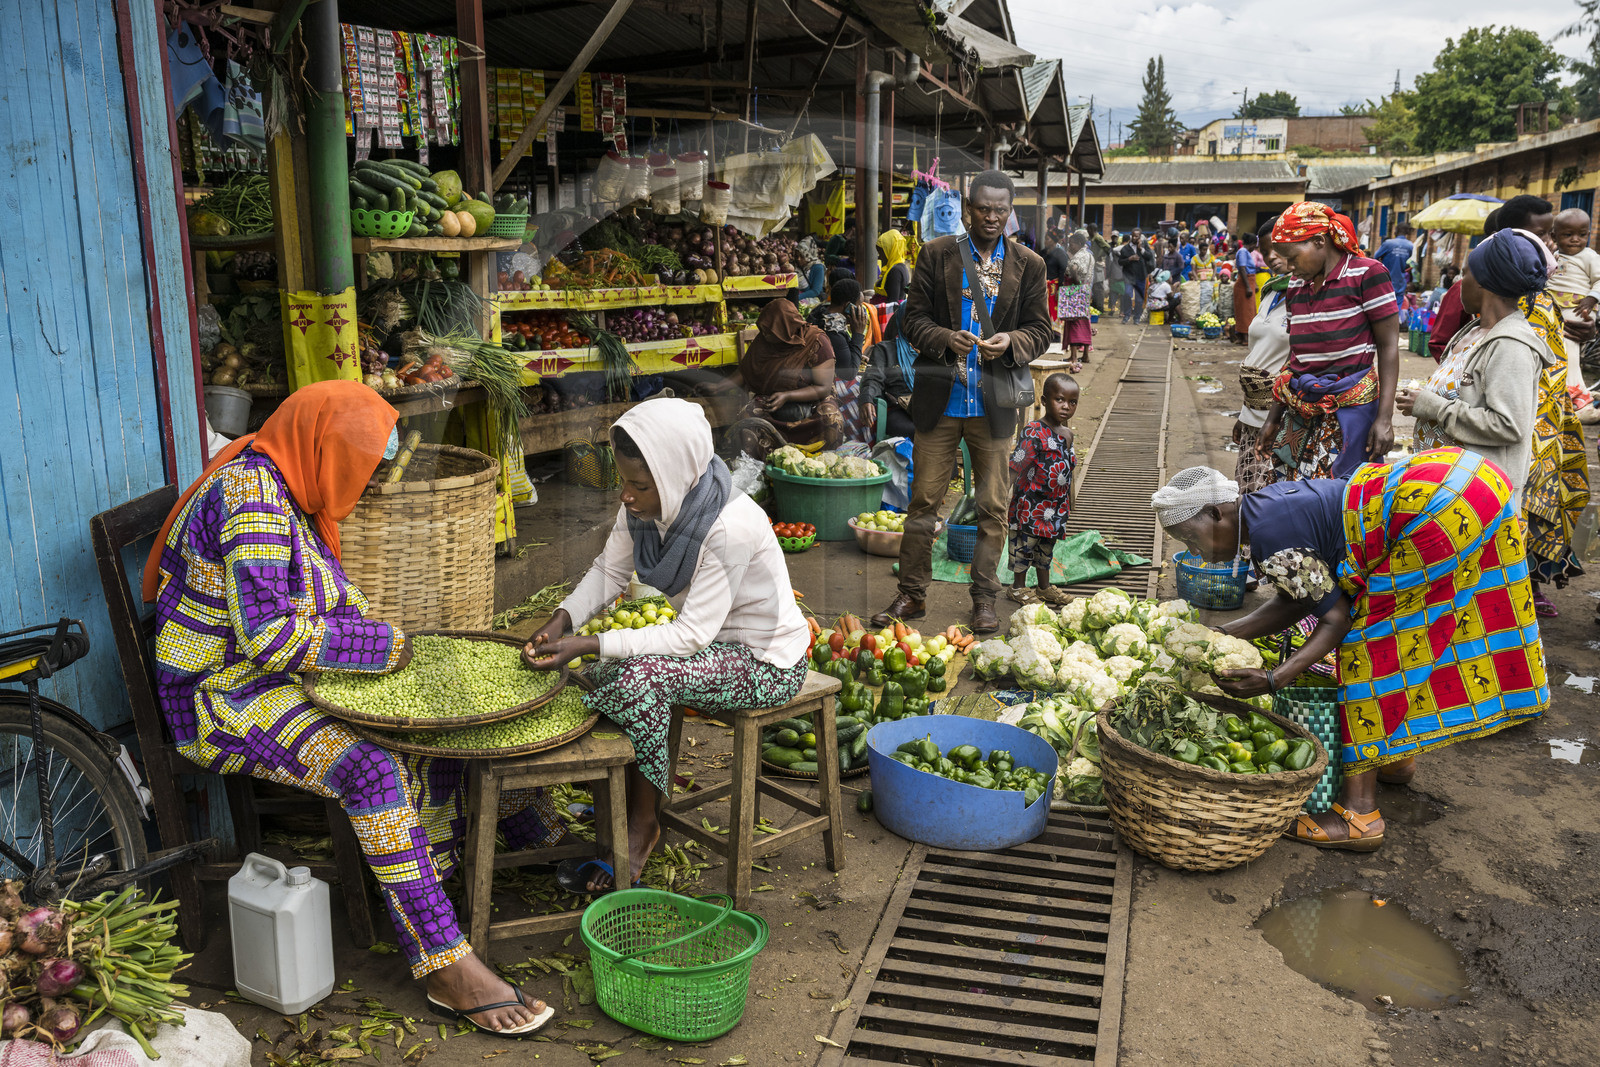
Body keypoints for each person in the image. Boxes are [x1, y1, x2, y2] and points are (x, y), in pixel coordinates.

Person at [145, 381, 561, 1036]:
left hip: (271, 679)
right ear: (323, 445)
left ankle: (441, 878)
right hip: (220, 696)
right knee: (372, 766)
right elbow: (271, 637)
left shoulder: (289, 486)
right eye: (360, 466)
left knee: (430, 722)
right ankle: (443, 963)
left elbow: (327, 602)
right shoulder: (250, 498)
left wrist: (397, 645)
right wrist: (376, 643)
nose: (363, 484)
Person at [1151, 458, 1547, 851]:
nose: (1196, 552)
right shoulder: (1264, 508)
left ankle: (1359, 815)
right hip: (1464, 480)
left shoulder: (1269, 538)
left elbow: (1335, 620)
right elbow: (1303, 598)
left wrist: (1275, 678)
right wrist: (1220, 633)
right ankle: (1394, 758)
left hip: (1438, 507)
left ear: (1216, 513)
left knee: (1368, 647)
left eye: (1191, 539)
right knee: (1419, 634)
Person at [525, 398, 810, 888]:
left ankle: (642, 824)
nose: (627, 497)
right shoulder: (648, 506)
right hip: (710, 650)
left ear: (676, 476)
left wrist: (588, 644)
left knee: (635, 677)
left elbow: (690, 635)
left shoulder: (729, 526)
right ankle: (614, 805)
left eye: (639, 485)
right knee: (603, 674)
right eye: (624, 481)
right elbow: (609, 570)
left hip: (765, 662)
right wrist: (561, 620)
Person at [870, 169, 1054, 635]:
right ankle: (912, 595)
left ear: (1010, 212)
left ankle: (984, 600)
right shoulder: (936, 255)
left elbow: (1041, 330)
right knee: (923, 503)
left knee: (993, 507)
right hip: (940, 403)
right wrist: (944, 338)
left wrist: (1011, 341)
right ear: (968, 209)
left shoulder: (1029, 264)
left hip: (993, 408)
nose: (991, 217)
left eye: (1000, 209)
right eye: (983, 208)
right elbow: (912, 322)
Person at [1396, 233, 1546, 508]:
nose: (1458, 282)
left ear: (1485, 282)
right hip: (1445, 487)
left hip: (1476, 497)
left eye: (1464, 274)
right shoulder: (1473, 332)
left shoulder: (1511, 345)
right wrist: (1422, 401)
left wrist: (1433, 407)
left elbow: (1508, 425)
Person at [1256, 202, 1399, 482]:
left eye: (1294, 258)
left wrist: (1384, 418)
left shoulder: (1368, 274)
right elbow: (1297, 359)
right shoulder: (1297, 285)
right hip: (1301, 411)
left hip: (1350, 413)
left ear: (1320, 241)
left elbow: (1389, 346)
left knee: (1339, 497)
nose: (1290, 267)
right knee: (1291, 494)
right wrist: (1273, 417)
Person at [721, 299, 841, 447]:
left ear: (784, 329)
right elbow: (745, 371)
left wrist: (787, 396)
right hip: (773, 398)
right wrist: (718, 387)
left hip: (813, 399)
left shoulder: (816, 341)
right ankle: (764, 462)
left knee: (830, 418)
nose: (764, 335)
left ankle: (820, 457)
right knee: (749, 418)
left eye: (769, 332)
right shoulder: (765, 340)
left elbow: (823, 388)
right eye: (763, 330)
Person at [1004, 374, 1078, 605]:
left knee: (1046, 548)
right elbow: (1016, 465)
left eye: (1072, 401)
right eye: (1059, 399)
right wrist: (1000, 497)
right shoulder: (1033, 431)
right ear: (1044, 400)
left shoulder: (1067, 434)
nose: (1066, 406)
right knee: (1024, 546)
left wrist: (1070, 501)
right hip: (1029, 505)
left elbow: (1069, 470)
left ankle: (1044, 587)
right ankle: (1017, 588)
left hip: (1054, 507)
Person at [1234, 217, 1292, 492]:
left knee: (1266, 499)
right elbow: (1257, 353)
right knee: (1246, 494)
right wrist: (1243, 415)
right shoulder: (1270, 291)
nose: (1271, 258)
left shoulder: (1310, 296)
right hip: (1252, 417)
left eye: (1278, 250)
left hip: (1279, 423)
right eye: (1266, 251)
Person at [808, 278, 872, 443]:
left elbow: (843, 353)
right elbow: (849, 372)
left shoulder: (822, 311)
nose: (862, 310)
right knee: (865, 386)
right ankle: (859, 439)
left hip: (816, 371)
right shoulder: (833, 326)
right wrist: (858, 333)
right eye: (859, 305)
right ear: (848, 306)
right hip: (820, 381)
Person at [1548, 208, 1600, 383]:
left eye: (1582, 234)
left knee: (1569, 345)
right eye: (1568, 234)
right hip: (1557, 305)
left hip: (1579, 307)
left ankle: (1575, 386)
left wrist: (1592, 298)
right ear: (1554, 237)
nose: (1575, 239)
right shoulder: (1554, 256)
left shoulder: (1590, 256)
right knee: (1555, 344)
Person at [860, 302, 918, 440]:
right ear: (900, 321)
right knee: (915, 430)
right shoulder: (885, 350)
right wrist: (866, 399)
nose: (914, 324)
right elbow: (873, 378)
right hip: (900, 409)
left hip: (933, 408)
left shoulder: (934, 350)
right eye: (908, 319)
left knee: (943, 430)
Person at [1058, 231, 1095, 372]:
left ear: (1079, 244)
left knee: (1073, 322)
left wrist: (1076, 281)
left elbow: (1073, 269)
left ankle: (1073, 357)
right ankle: (1085, 355)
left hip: (1075, 290)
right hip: (1085, 290)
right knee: (1084, 321)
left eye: (1072, 243)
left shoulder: (1078, 257)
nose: (1070, 246)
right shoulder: (1089, 255)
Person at [1374, 222, 1415, 312]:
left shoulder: (1388, 244)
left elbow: (1375, 257)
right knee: (1397, 308)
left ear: (1396, 231)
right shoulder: (1410, 245)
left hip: (1386, 280)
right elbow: (1408, 261)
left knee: (1383, 307)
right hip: (1400, 281)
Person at [1230, 233, 1260, 342]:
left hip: (1249, 281)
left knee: (1250, 310)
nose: (1255, 248)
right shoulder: (1242, 252)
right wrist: (1248, 286)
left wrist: (1254, 284)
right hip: (1244, 283)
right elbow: (1242, 269)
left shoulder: (1246, 252)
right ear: (1251, 244)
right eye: (1254, 245)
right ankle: (1244, 337)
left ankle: (1245, 336)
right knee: (1245, 312)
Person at [1117, 231, 1151, 324]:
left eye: (1138, 236)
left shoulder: (1144, 247)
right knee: (1127, 294)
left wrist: (1141, 249)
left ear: (1140, 237)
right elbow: (1120, 262)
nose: (1136, 238)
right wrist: (1129, 259)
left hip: (1141, 276)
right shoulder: (1126, 248)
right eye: (1134, 236)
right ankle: (1127, 315)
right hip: (1129, 276)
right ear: (1131, 236)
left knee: (1139, 299)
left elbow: (1149, 257)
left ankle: (1137, 317)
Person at [877, 229, 912, 303]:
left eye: (881, 253)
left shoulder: (895, 271)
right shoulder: (900, 267)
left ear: (890, 250)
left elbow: (892, 303)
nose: (879, 257)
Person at [794, 236, 827, 303]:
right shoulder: (797, 266)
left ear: (809, 255)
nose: (798, 259)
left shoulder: (818, 267)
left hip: (812, 302)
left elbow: (816, 291)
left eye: (802, 256)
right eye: (797, 256)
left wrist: (796, 298)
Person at [1087, 224, 1111, 311]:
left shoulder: (1098, 238)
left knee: (1098, 287)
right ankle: (1095, 305)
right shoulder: (1092, 238)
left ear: (1091, 229)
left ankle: (1100, 307)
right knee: (1095, 287)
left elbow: (1108, 248)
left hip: (1098, 265)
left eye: (1088, 230)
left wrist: (1100, 255)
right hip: (1094, 264)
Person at [1106, 234, 1129, 322]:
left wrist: (1109, 273)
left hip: (1115, 273)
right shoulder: (1127, 250)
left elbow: (1110, 261)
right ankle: (1122, 311)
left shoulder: (1115, 250)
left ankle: (1112, 307)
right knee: (1123, 294)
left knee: (1113, 292)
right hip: (1123, 274)